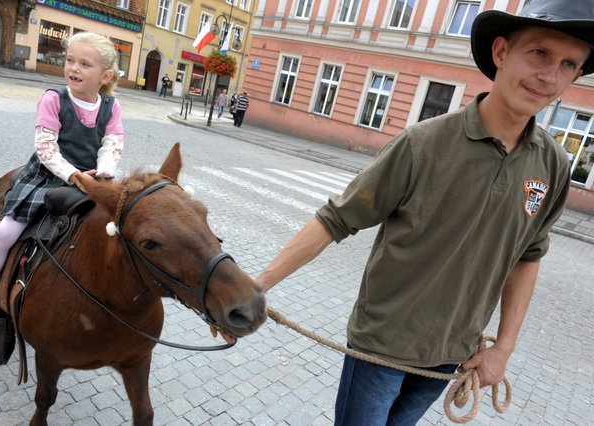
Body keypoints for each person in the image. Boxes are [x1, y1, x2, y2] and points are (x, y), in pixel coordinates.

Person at [252, 1, 594, 424]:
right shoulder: (423, 143)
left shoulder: (553, 164)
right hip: (381, 344)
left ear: (576, 76)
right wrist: (258, 285)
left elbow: (528, 257)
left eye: (568, 64)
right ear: (502, 52)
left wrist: (502, 350)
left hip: (454, 352)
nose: (549, 75)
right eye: (539, 53)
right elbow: (335, 219)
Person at [0, 32, 125, 337]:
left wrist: (103, 172)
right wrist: (74, 176)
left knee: (115, 232)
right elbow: (46, 147)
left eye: (85, 64)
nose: (73, 67)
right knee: (7, 230)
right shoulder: (53, 99)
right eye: (70, 60)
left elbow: (112, 143)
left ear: (105, 76)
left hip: (92, 179)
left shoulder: (111, 107)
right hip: (48, 176)